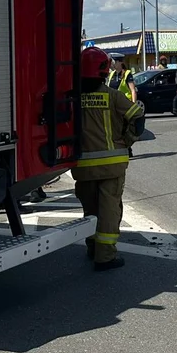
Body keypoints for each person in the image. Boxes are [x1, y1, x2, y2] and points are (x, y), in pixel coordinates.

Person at [72, 47, 145, 271]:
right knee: (109, 210)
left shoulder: (71, 98)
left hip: (82, 166)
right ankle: (105, 256)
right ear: (104, 72)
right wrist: (127, 139)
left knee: (90, 208)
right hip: (112, 165)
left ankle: (92, 245)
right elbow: (137, 117)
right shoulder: (113, 96)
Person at [107, 53, 139, 157]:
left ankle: (127, 149)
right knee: (114, 128)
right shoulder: (112, 74)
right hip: (113, 105)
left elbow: (133, 90)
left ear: (120, 62)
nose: (113, 64)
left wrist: (133, 105)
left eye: (114, 62)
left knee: (124, 129)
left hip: (124, 106)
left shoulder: (127, 74)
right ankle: (119, 149)